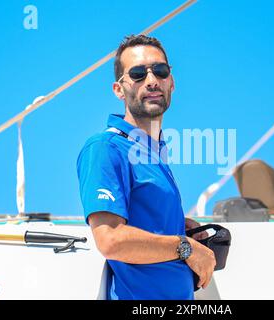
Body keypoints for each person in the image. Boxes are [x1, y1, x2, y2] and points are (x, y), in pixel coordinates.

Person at [77, 34, 215, 300]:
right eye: (138, 74)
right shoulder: (106, 147)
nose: (152, 80)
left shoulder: (153, 156)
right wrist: (185, 247)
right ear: (119, 89)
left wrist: (178, 225)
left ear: (171, 82)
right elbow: (111, 240)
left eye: (160, 71)